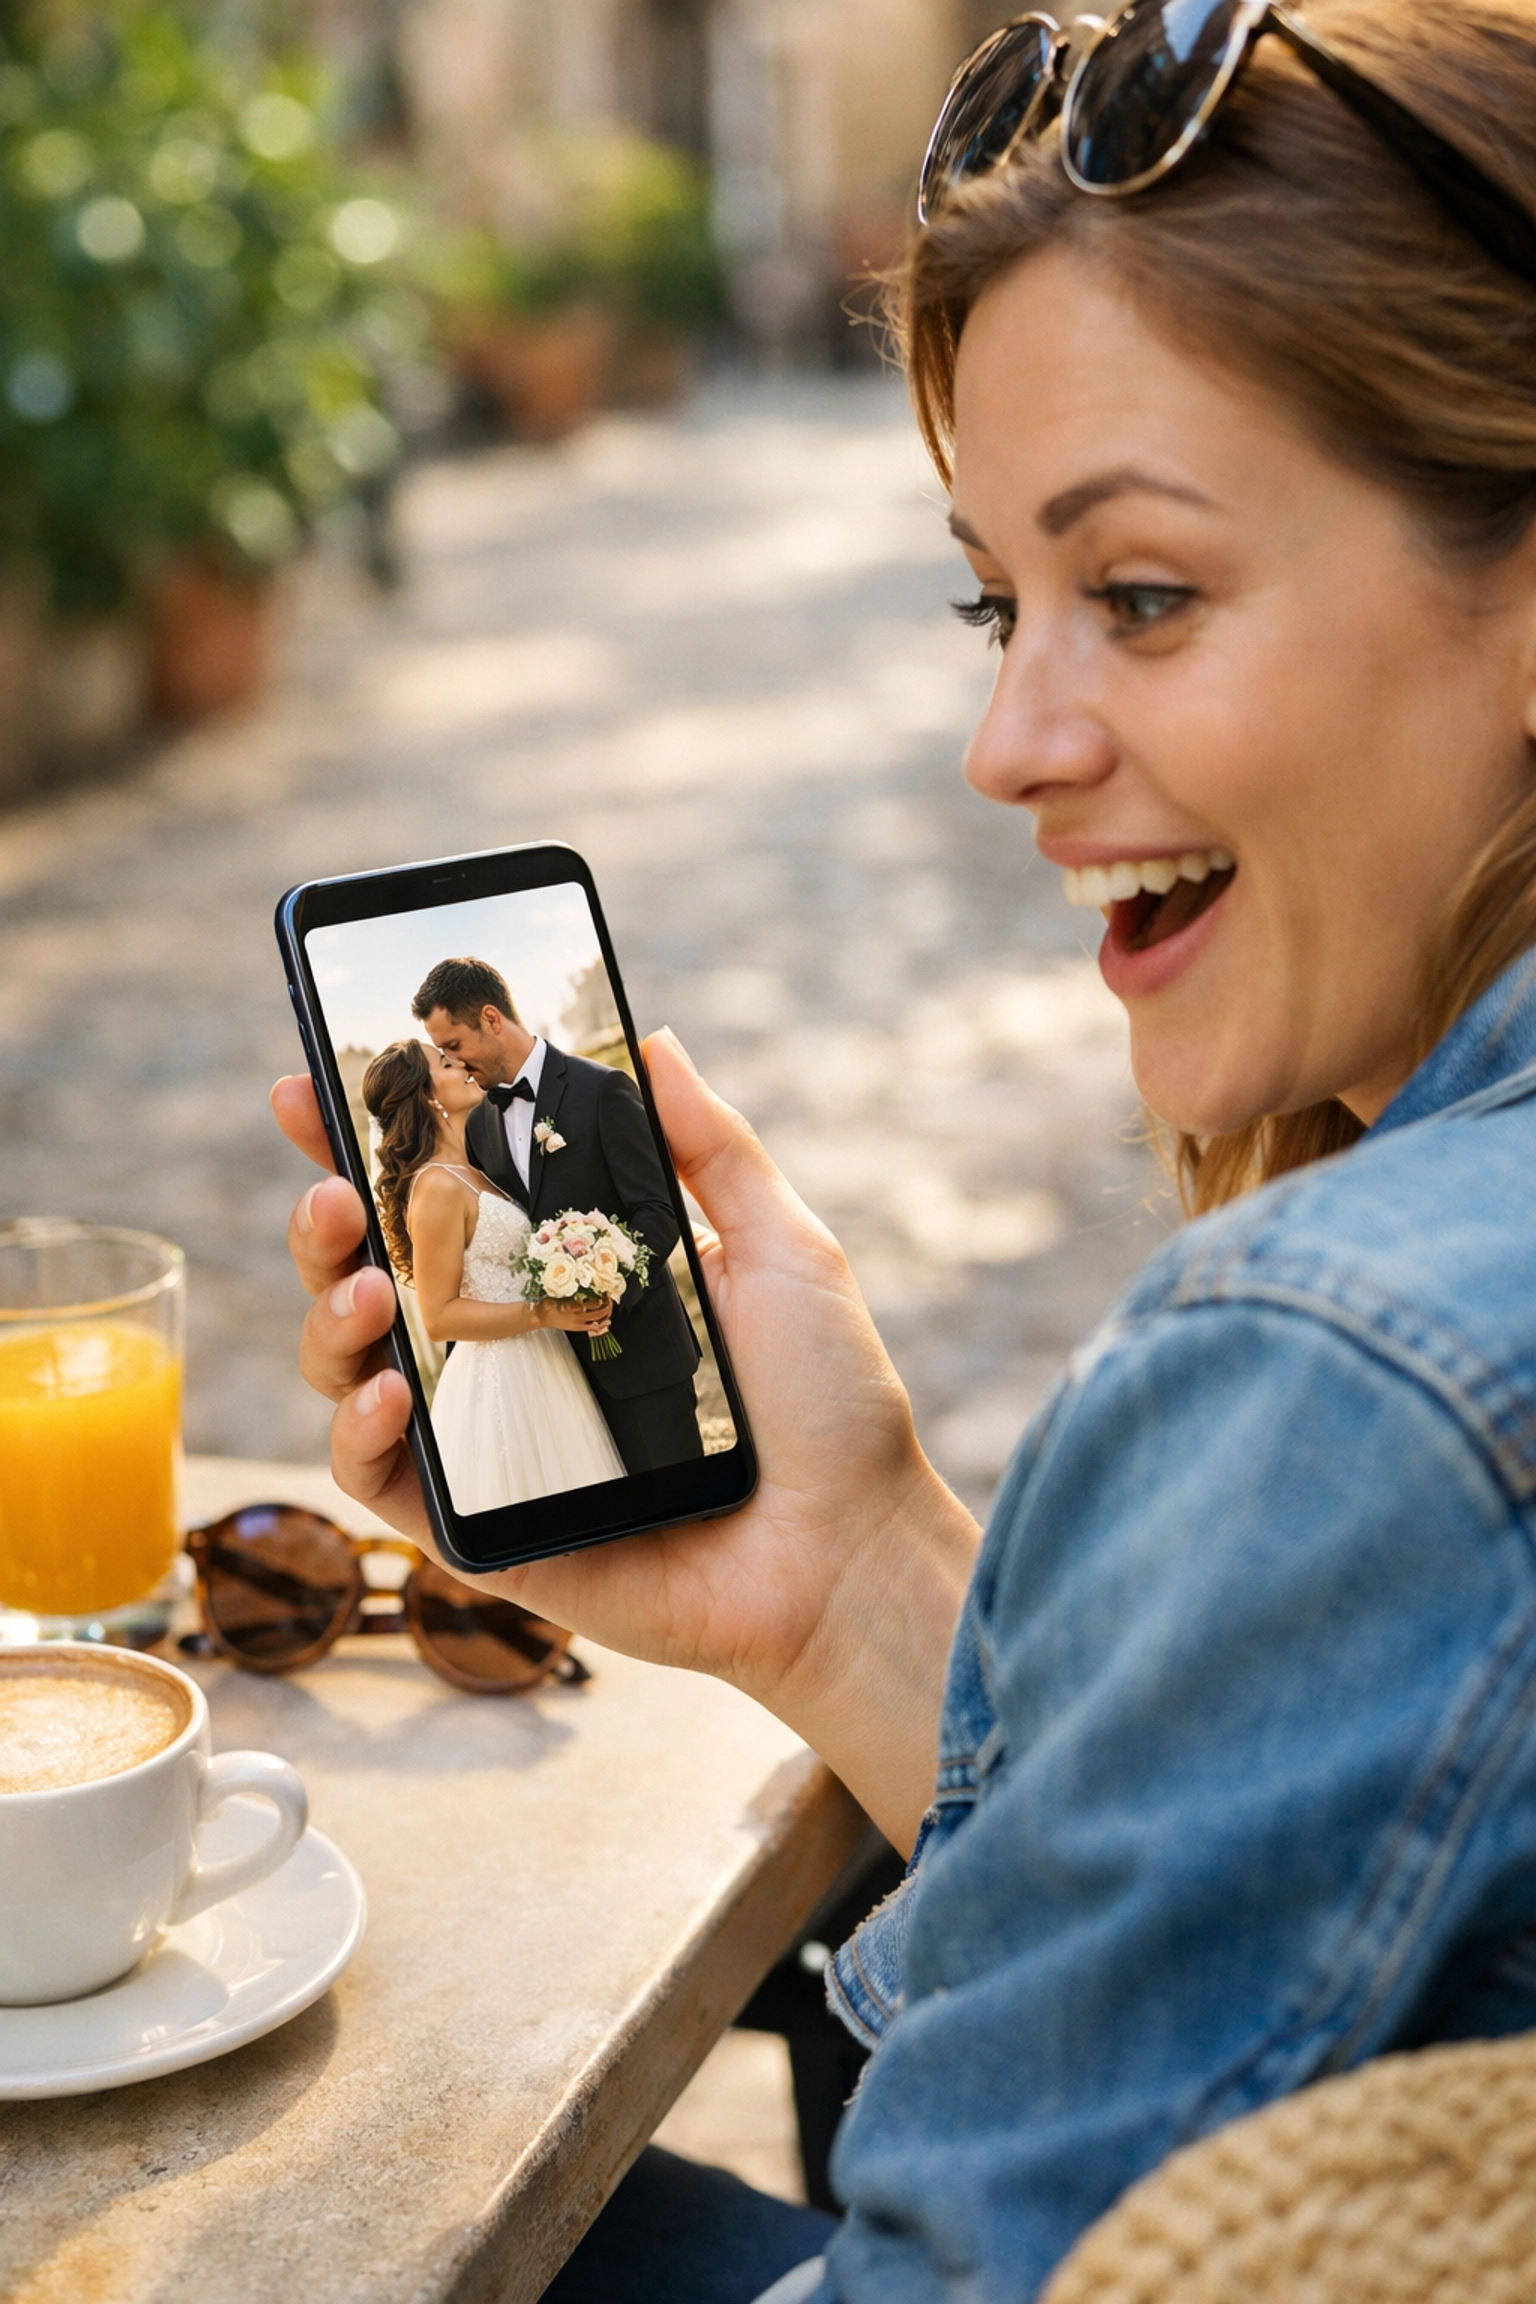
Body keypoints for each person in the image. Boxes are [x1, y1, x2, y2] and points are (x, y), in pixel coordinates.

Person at [273, 0, 1536, 2294]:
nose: (1005, 739)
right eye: (994, 601)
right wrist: (845, 1568)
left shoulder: (1346, 1367)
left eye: (1138, 594)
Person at [410, 957, 705, 1476]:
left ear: (491, 1019)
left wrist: (607, 1285)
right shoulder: (479, 1125)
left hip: (641, 1359)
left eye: (453, 1045)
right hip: (548, 1379)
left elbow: (660, 1209)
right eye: (442, 1054)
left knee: (684, 1506)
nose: (452, 1062)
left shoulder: (603, 1089)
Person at [361, 1038, 624, 1511]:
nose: (462, 1063)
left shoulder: (471, 1170)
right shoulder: (436, 1186)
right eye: (446, 1063)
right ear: (428, 1097)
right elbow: (438, 1317)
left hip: (544, 1357)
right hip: (501, 1375)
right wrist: (541, 1313)